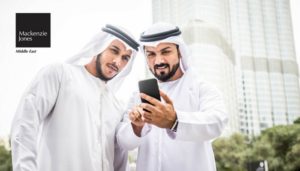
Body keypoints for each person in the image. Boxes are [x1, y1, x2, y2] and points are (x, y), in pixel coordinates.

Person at [10, 24, 139, 171]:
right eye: (114, 51)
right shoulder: (60, 74)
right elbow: (25, 123)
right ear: (99, 46)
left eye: (125, 58)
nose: (118, 62)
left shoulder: (116, 106)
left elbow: (119, 160)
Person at [116, 23, 228, 171]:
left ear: (180, 52)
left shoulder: (201, 88)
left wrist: (174, 121)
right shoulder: (139, 95)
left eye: (166, 52)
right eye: (151, 54)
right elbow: (124, 143)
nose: (158, 61)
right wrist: (136, 127)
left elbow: (217, 123)